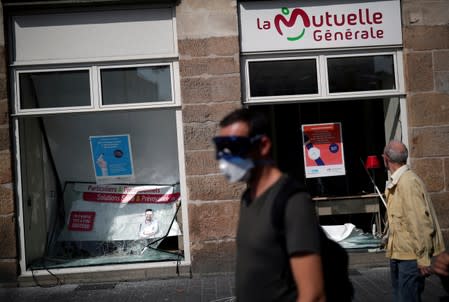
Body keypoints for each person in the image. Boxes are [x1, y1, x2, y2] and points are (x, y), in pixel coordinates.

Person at [213, 108, 325, 302]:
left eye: (233, 147)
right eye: (220, 148)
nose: (225, 159)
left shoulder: (292, 201)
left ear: (263, 145)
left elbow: (313, 294)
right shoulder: (248, 197)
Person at [382, 140, 445, 302]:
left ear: (386, 158)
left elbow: (419, 222)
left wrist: (423, 258)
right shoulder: (398, 181)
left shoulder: (408, 183)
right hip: (399, 253)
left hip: (410, 256)